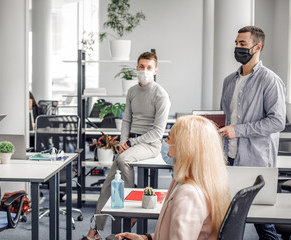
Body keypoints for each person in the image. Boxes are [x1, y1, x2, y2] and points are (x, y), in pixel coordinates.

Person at [83, 52, 171, 239]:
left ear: (155, 70)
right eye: (141, 66)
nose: (144, 71)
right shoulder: (132, 91)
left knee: (122, 160)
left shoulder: (161, 95)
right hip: (130, 142)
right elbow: (126, 120)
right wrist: (123, 141)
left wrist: (131, 142)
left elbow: (157, 132)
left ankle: (129, 208)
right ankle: (95, 231)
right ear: (137, 67)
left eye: (149, 67)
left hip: (150, 144)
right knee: (107, 185)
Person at [116, 115, 231, 240]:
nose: (165, 142)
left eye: (169, 138)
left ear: (184, 147)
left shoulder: (189, 194)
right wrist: (146, 238)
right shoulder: (204, 181)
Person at [219, 26, 285, 240]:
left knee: (262, 224)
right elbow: (224, 117)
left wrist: (238, 131)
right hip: (230, 158)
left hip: (256, 160)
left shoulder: (270, 80)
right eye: (236, 43)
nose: (237, 47)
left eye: (242, 44)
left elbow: (277, 121)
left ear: (258, 47)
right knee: (226, 219)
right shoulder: (229, 81)